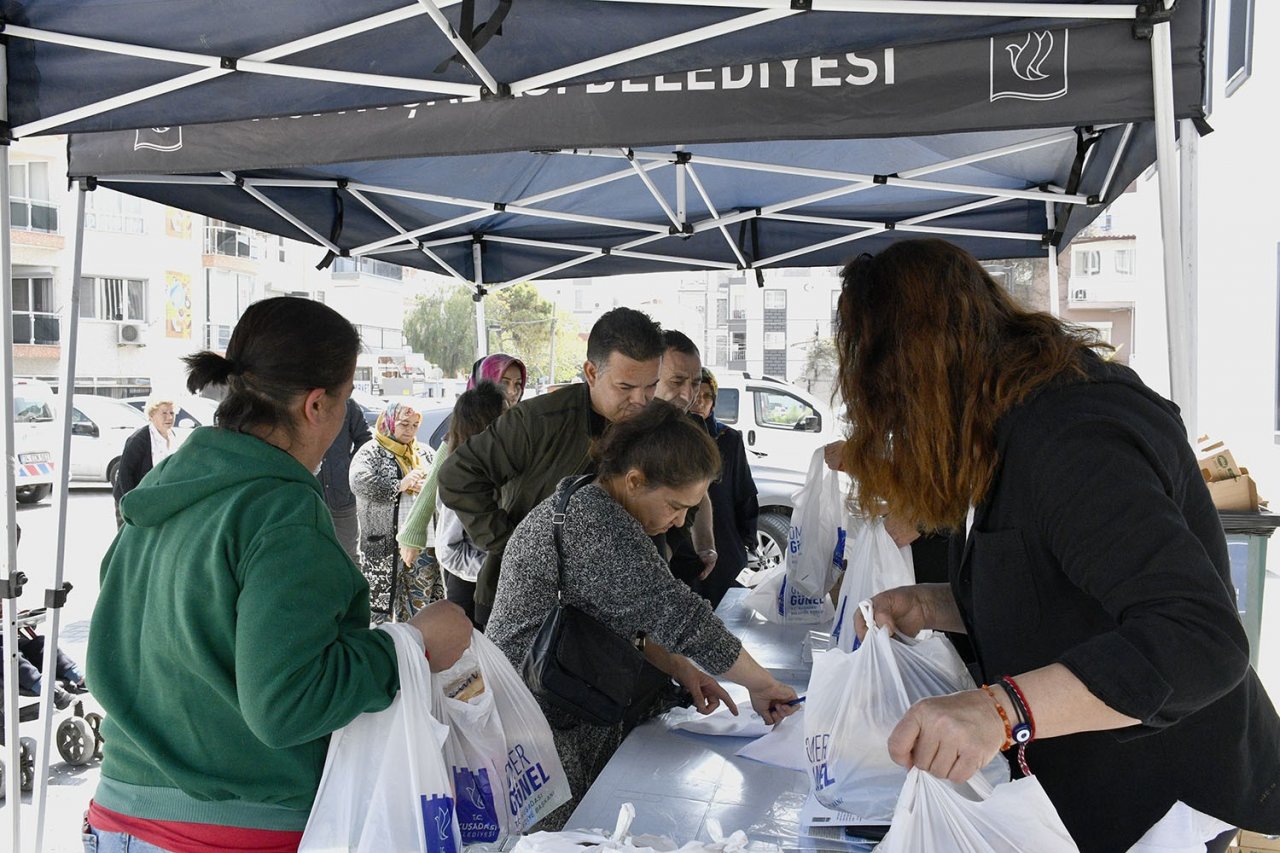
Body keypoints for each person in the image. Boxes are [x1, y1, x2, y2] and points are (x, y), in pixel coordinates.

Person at [837, 239, 1280, 853]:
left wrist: (998, 710)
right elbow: (1051, 587)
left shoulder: (1075, 436)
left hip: (1159, 798)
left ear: (917, 371)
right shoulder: (1002, 426)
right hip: (1081, 785)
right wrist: (931, 604)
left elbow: (1198, 639)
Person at [85, 296, 471, 852]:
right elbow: (288, 703)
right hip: (233, 829)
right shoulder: (281, 510)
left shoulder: (164, 487)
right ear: (316, 405)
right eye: (345, 399)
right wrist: (411, 645)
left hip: (116, 813)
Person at [487, 400, 798, 829]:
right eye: (674, 505)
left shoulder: (596, 500)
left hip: (562, 697)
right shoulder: (594, 525)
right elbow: (682, 619)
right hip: (533, 719)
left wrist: (680, 667)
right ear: (634, 480)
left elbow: (623, 615)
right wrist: (764, 685)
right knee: (553, 838)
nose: (679, 522)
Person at [438, 307, 665, 626]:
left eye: (651, 386)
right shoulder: (538, 420)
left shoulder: (656, 425)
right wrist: (514, 544)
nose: (640, 400)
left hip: (608, 609)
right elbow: (457, 475)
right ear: (591, 373)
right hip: (523, 606)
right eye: (625, 387)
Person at [396, 353, 527, 580]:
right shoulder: (464, 437)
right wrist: (412, 533)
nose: (513, 391)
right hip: (472, 567)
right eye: (504, 382)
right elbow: (435, 484)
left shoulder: (520, 427)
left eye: (518, 384)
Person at [351, 401, 439, 624]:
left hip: (423, 542)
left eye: (415, 425)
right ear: (389, 422)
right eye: (404, 424)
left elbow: (441, 482)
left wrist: (427, 487)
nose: (410, 430)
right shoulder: (372, 451)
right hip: (383, 544)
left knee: (420, 607)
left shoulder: (425, 453)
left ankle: (414, 646)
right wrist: (399, 485)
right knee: (379, 610)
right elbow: (358, 482)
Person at [433, 382, 508, 625]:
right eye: (505, 417)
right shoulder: (462, 476)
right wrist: (495, 570)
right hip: (470, 593)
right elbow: (448, 550)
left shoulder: (505, 465)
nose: (513, 424)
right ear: (485, 425)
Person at [651, 330, 718, 593]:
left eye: (695, 383)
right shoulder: (625, 428)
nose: (688, 395)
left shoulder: (694, 427)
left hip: (672, 553)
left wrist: (705, 545)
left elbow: (701, 493)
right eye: (677, 381)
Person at [690, 368, 759, 607]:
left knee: (725, 605)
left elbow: (744, 491)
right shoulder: (673, 438)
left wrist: (747, 538)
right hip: (686, 536)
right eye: (695, 395)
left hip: (725, 537)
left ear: (714, 402)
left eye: (707, 396)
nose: (700, 401)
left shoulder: (728, 438)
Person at [318, 398, 372, 561]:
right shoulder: (299, 401)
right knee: (312, 556)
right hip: (309, 495)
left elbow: (365, 439)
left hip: (342, 496)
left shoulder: (347, 404)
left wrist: (348, 467)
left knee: (350, 556)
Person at [112, 396, 179, 528]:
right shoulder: (138, 440)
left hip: (155, 499)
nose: (169, 417)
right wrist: (132, 505)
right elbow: (125, 474)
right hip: (132, 499)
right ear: (151, 415)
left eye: (172, 413)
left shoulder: (172, 436)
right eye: (164, 413)